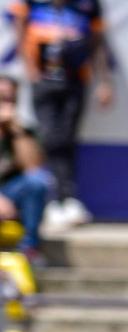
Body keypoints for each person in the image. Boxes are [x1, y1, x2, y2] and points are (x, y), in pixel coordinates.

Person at [11, 0, 112, 231]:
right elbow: (18, 24)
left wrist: (104, 81)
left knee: (66, 139)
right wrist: (30, 68)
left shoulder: (87, 5)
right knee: (49, 138)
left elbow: (97, 44)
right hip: (43, 82)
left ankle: (68, 199)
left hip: (75, 82)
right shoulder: (32, 3)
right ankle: (54, 199)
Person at [0, 78, 53, 258]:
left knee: (37, 182)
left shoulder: (23, 130)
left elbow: (32, 168)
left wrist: (15, 130)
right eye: (1, 98)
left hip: (9, 192)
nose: (5, 103)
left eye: (10, 98)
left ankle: (29, 248)